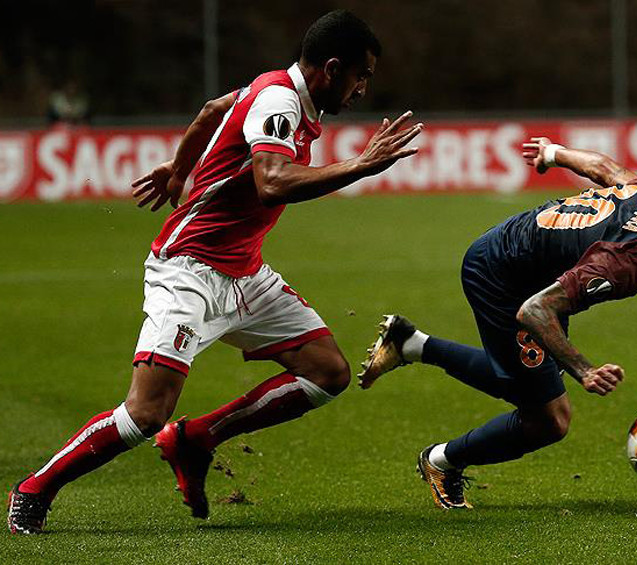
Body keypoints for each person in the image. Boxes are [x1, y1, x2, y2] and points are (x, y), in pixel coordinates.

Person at [8, 9, 423, 534]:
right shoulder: (278, 102)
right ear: (332, 68)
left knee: (327, 372)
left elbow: (212, 110)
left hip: (245, 274)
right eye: (361, 75)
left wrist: (179, 168)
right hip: (190, 272)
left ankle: (197, 438)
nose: (363, 88)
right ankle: (34, 489)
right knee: (146, 413)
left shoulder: (276, 91)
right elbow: (272, 182)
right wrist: (360, 166)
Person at [358, 137, 637, 509]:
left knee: (536, 385)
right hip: (502, 278)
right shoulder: (627, 266)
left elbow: (607, 169)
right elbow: (534, 311)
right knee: (549, 420)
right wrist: (585, 370)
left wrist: (554, 154)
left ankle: (411, 344)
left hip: (528, 265)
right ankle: (442, 461)